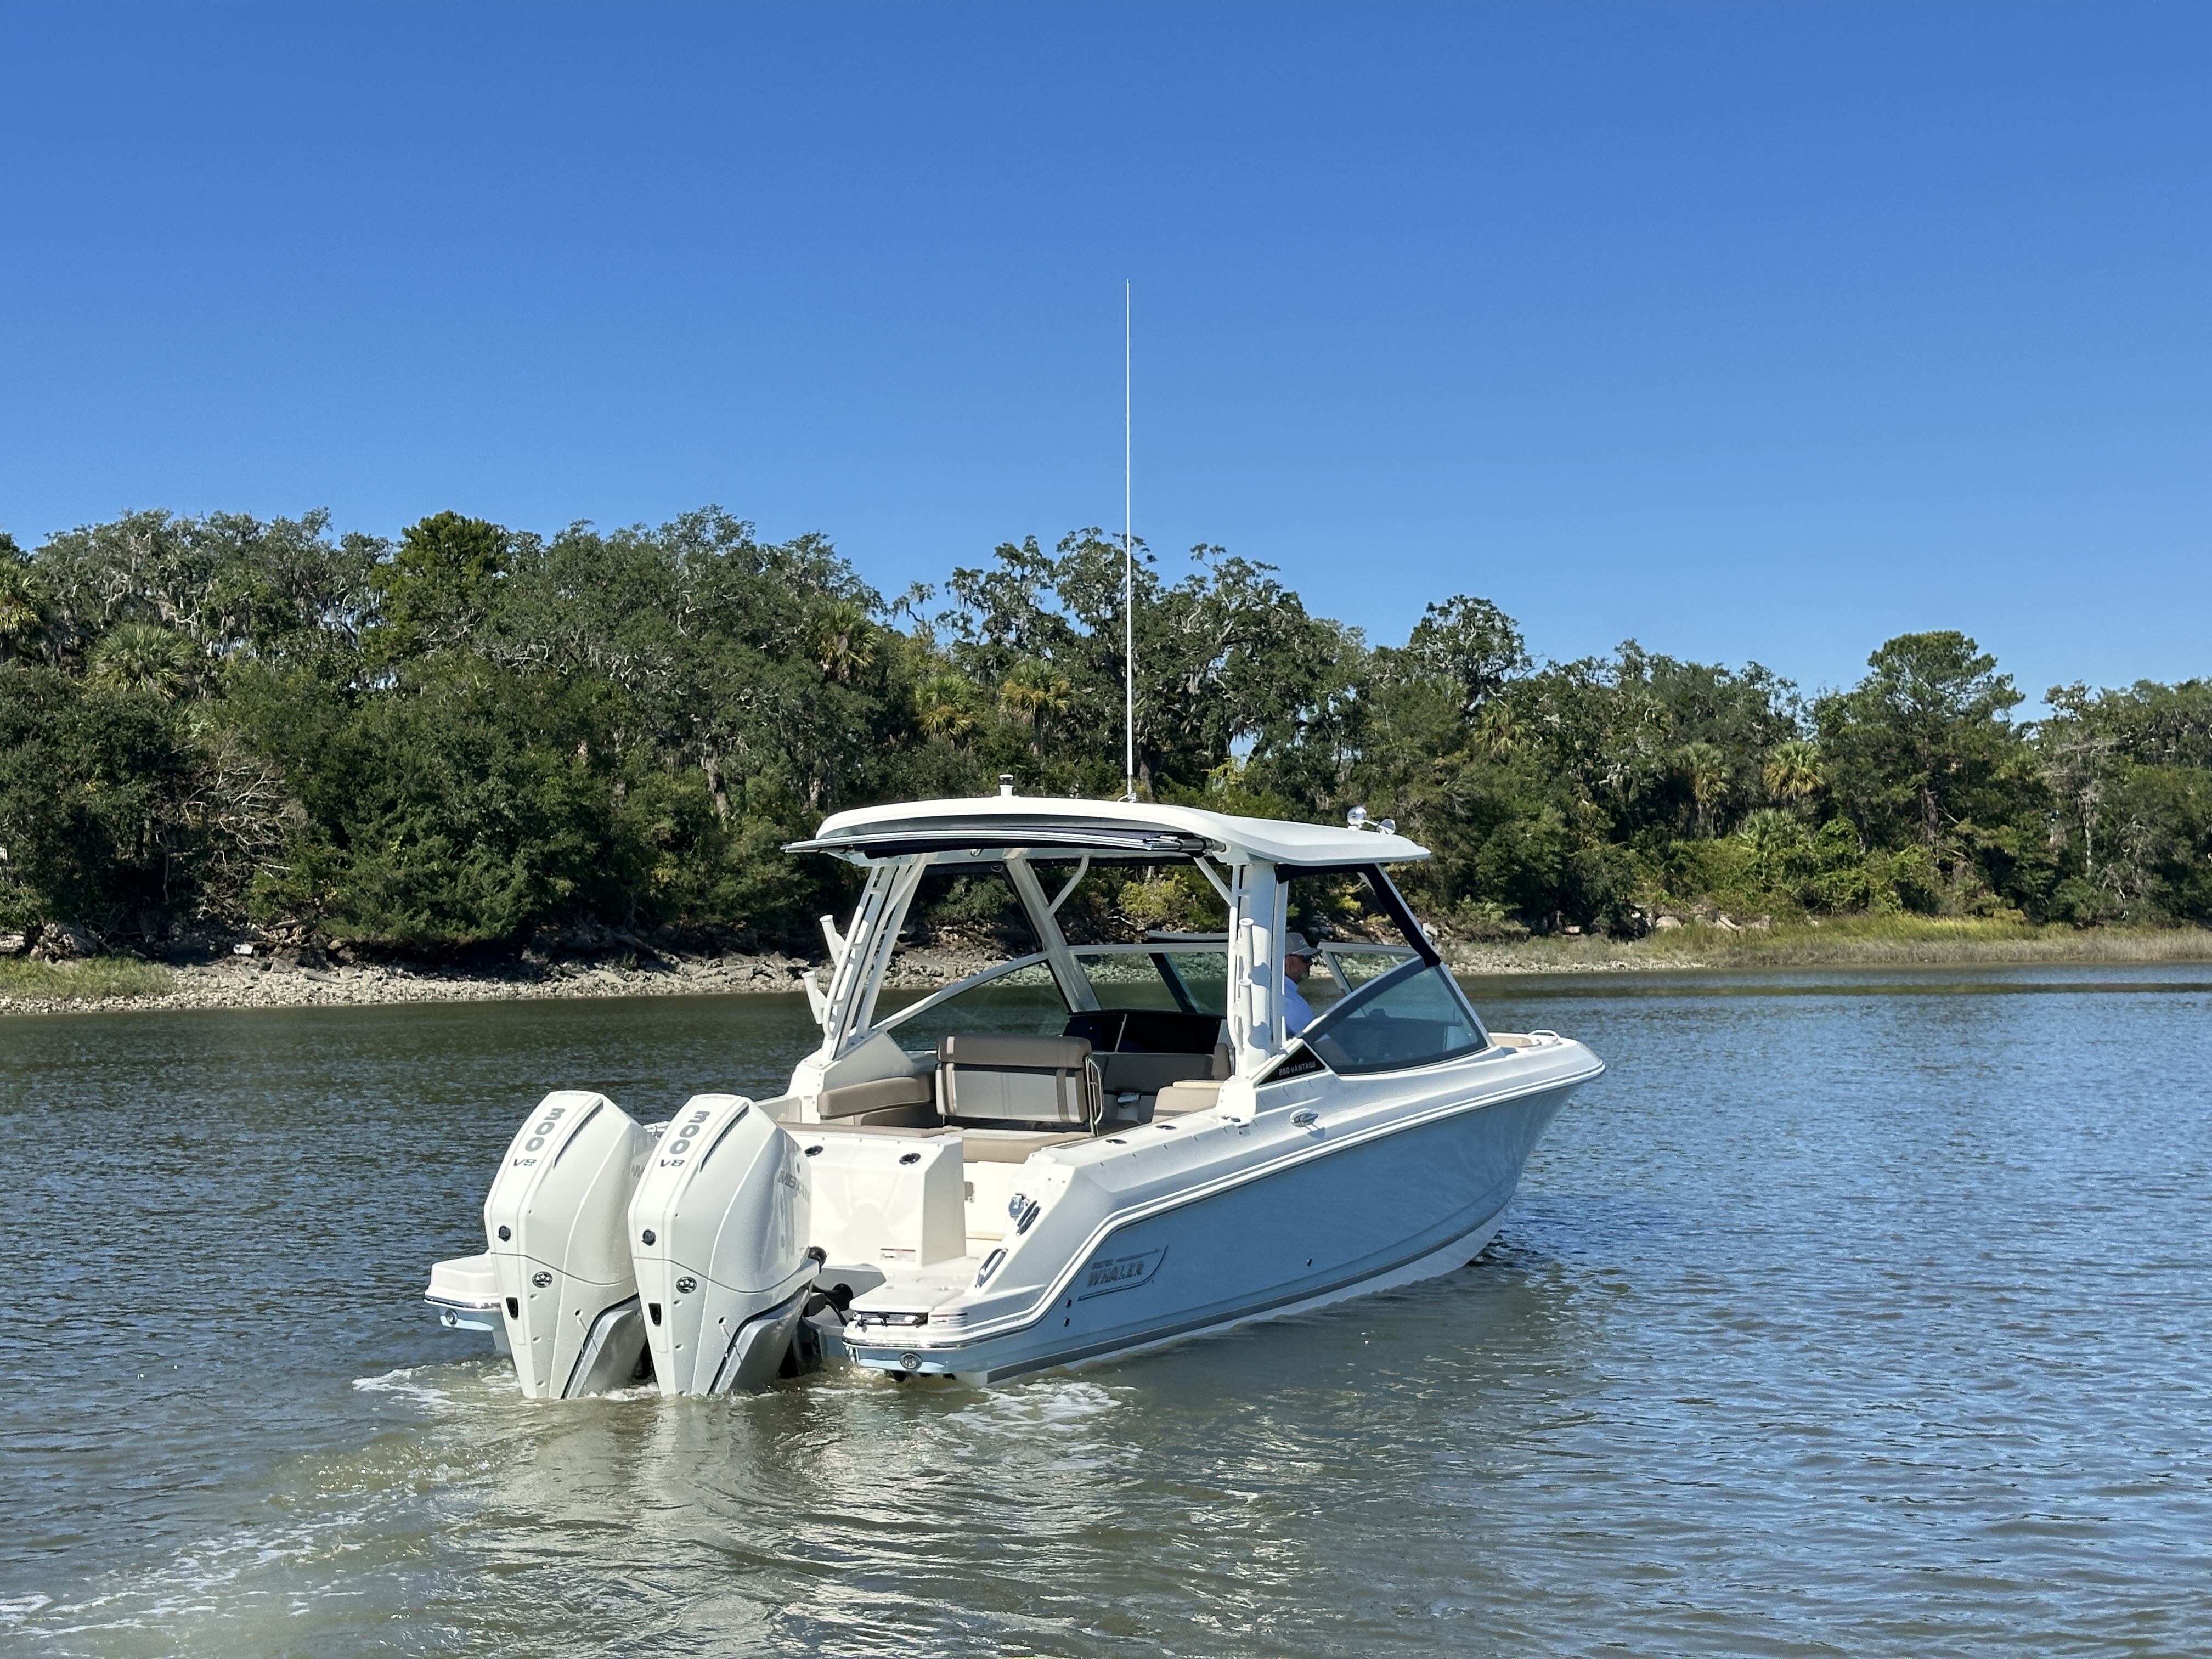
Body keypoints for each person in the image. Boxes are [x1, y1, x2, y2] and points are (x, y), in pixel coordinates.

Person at [1280, 932, 1318, 1036]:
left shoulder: (1275, 992)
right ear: (1286, 961)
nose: (1310, 963)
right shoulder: (1289, 1000)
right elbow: (1318, 1040)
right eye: (1305, 957)